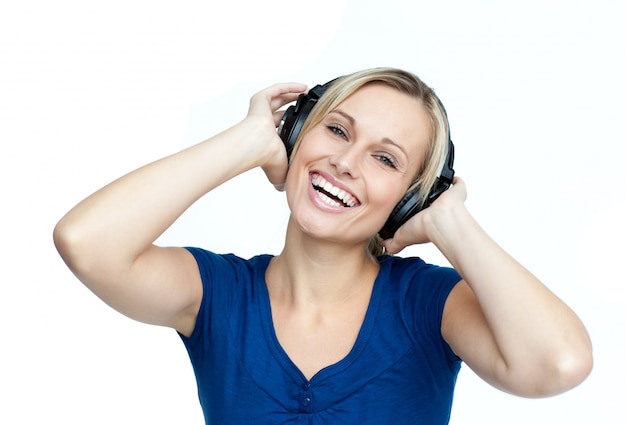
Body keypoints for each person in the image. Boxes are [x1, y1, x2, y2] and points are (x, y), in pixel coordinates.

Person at [53, 67, 592, 424]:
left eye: (386, 159)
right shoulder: (218, 294)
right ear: (297, 134)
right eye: (336, 130)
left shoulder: (430, 304)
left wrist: (451, 223)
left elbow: (560, 363)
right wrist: (247, 143)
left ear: (410, 199)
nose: (346, 162)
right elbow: (86, 242)